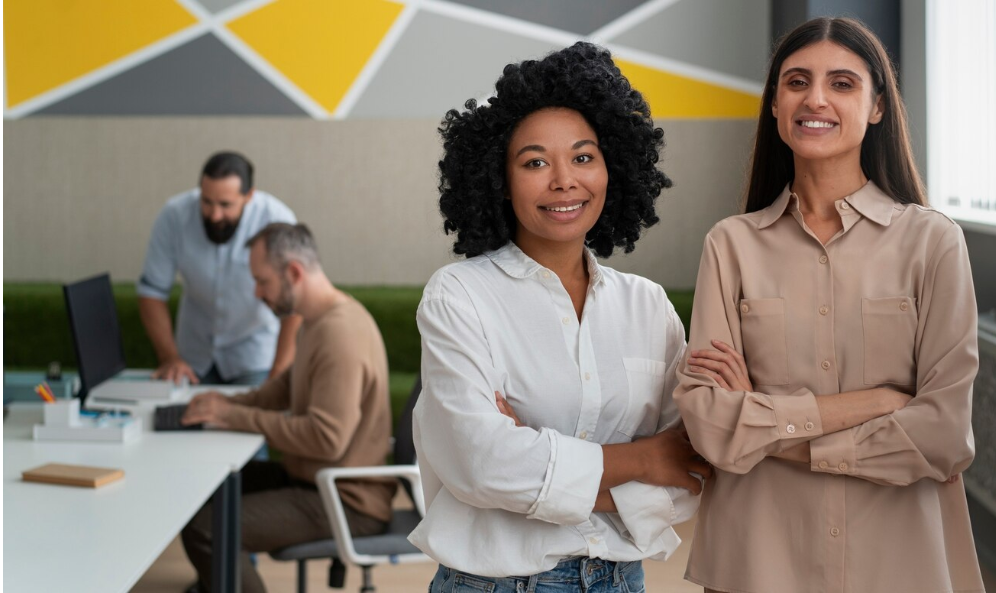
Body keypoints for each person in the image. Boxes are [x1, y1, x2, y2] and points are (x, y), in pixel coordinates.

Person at [676, 17, 984, 593]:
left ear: (876, 107)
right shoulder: (730, 244)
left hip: (900, 565)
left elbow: (944, 435)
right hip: (757, 566)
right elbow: (710, 425)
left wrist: (766, 427)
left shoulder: (933, 241)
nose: (814, 98)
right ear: (774, 105)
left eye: (842, 83)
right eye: (796, 81)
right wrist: (874, 405)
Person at [410, 42, 711, 593]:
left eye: (582, 156)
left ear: (611, 167)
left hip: (620, 581)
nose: (563, 180)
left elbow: (690, 473)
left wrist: (539, 463)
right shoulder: (459, 295)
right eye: (534, 162)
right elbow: (482, 464)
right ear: (500, 180)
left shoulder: (648, 305)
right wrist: (645, 458)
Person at [179, 223, 394, 593]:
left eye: (262, 281)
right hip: (316, 479)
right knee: (202, 490)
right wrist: (224, 404)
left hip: (345, 499)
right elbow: (282, 390)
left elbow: (326, 440)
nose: (257, 292)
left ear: (293, 272)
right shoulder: (317, 321)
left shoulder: (339, 333)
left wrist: (232, 417)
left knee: (207, 528)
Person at [137, 151, 300, 386]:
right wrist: (169, 357)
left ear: (249, 196)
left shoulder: (276, 219)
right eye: (206, 201)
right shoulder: (174, 215)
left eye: (225, 205)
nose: (214, 215)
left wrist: (278, 376)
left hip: (253, 355)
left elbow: (294, 305)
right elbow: (152, 292)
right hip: (191, 356)